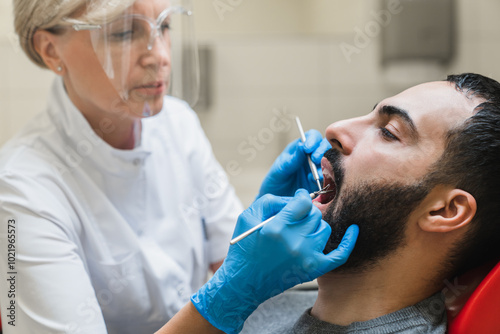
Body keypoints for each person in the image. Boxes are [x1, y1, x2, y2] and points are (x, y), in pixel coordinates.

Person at [0, 0, 332, 332]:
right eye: (125, 32)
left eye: (164, 26)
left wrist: (262, 223)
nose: (159, 56)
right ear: (50, 50)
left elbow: (231, 262)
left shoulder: (178, 123)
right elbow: (231, 286)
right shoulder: (21, 188)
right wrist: (224, 300)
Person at [153, 72, 500, 334]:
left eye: (389, 131)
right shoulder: (286, 306)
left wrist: (226, 297)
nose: (336, 128)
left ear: (443, 211)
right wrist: (236, 280)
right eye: (370, 115)